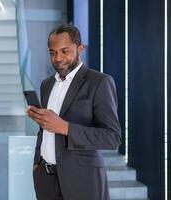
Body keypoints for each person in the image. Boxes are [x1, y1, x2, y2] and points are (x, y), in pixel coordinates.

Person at [27, 23, 121, 200]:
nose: (58, 58)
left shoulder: (99, 82)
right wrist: (37, 163)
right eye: (52, 52)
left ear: (80, 48)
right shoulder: (46, 84)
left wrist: (65, 127)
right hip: (46, 179)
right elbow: (44, 131)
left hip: (83, 179)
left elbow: (112, 138)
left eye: (65, 51)